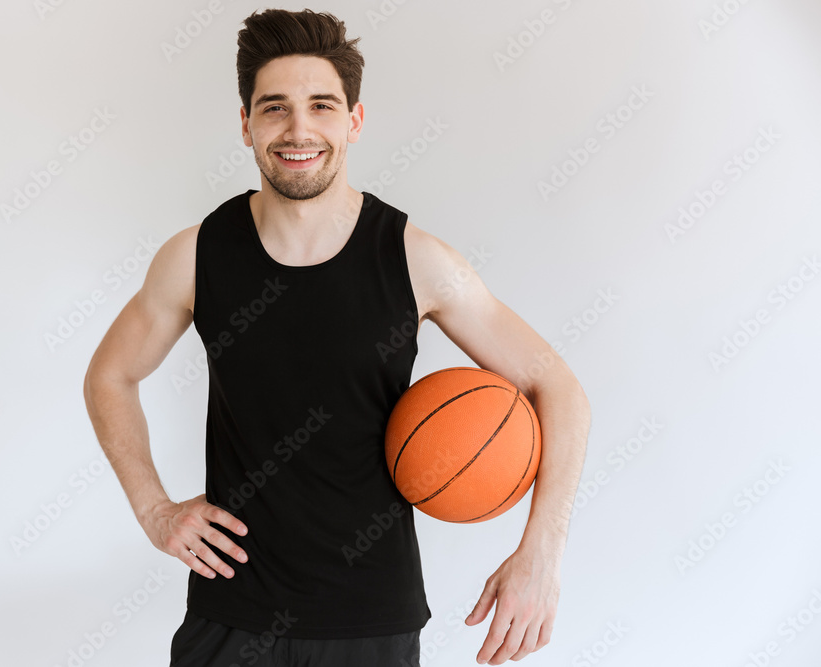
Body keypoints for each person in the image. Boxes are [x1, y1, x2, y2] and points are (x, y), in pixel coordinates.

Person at [83, 8, 591, 666]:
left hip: (370, 620)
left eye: (321, 106)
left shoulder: (415, 260)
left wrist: (541, 554)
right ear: (246, 125)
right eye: (275, 108)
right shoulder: (196, 257)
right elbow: (111, 375)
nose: (299, 130)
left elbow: (559, 387)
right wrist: (154, 510)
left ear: (354, 119)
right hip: (230, 615)